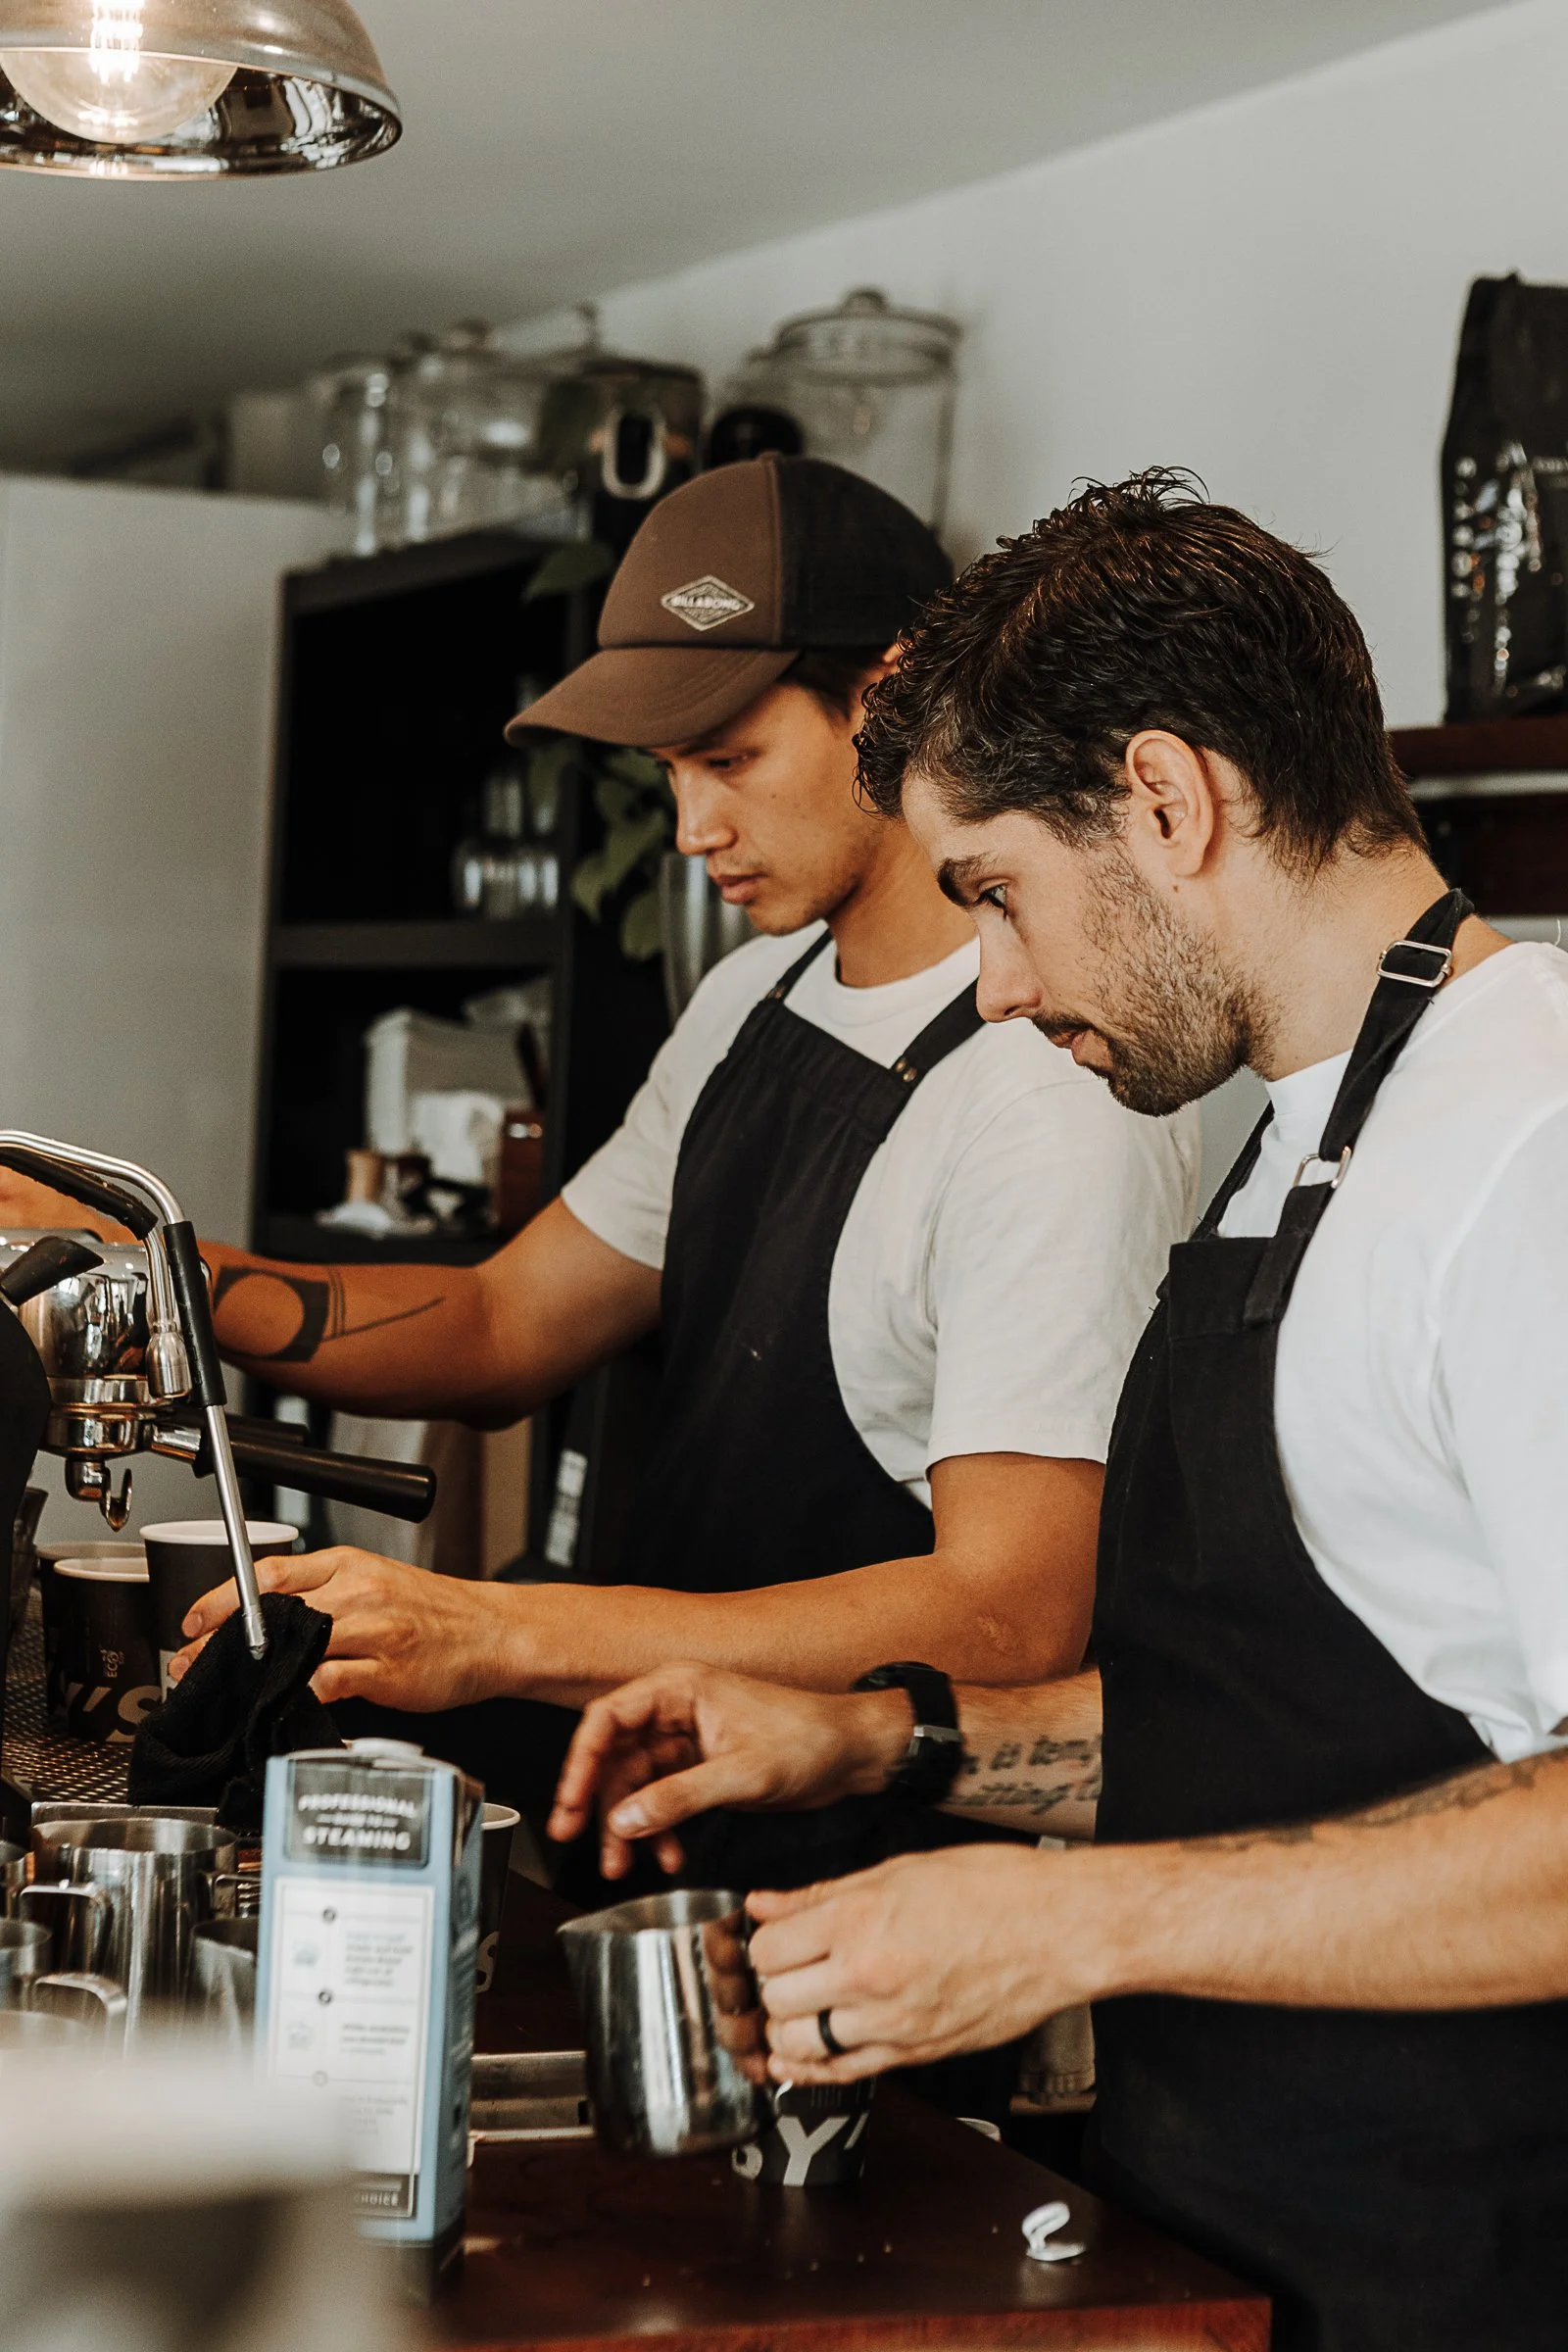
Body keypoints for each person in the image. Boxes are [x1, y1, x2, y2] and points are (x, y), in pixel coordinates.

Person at [545, 472, 1568, 2352]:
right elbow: (1298, 1742)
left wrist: (1073, 1925)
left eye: (999, 894)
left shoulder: (1534, 1148)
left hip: (1469, 2268)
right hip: (1234, 2245)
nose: (997, 988)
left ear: (1171, 803)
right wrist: (884, 1749)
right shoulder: (1304, 1140)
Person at [176, 455, 1196, 1894]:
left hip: (884, 1886)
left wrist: (503, 1633)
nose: (692, 828)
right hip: (667, 1824)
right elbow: (501, 1326)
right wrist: (149, 1273)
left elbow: (1012, 1614)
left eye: (729, 760)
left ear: (890, 699)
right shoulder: (757, 997)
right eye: (668, 771)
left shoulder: (1048, 1085)